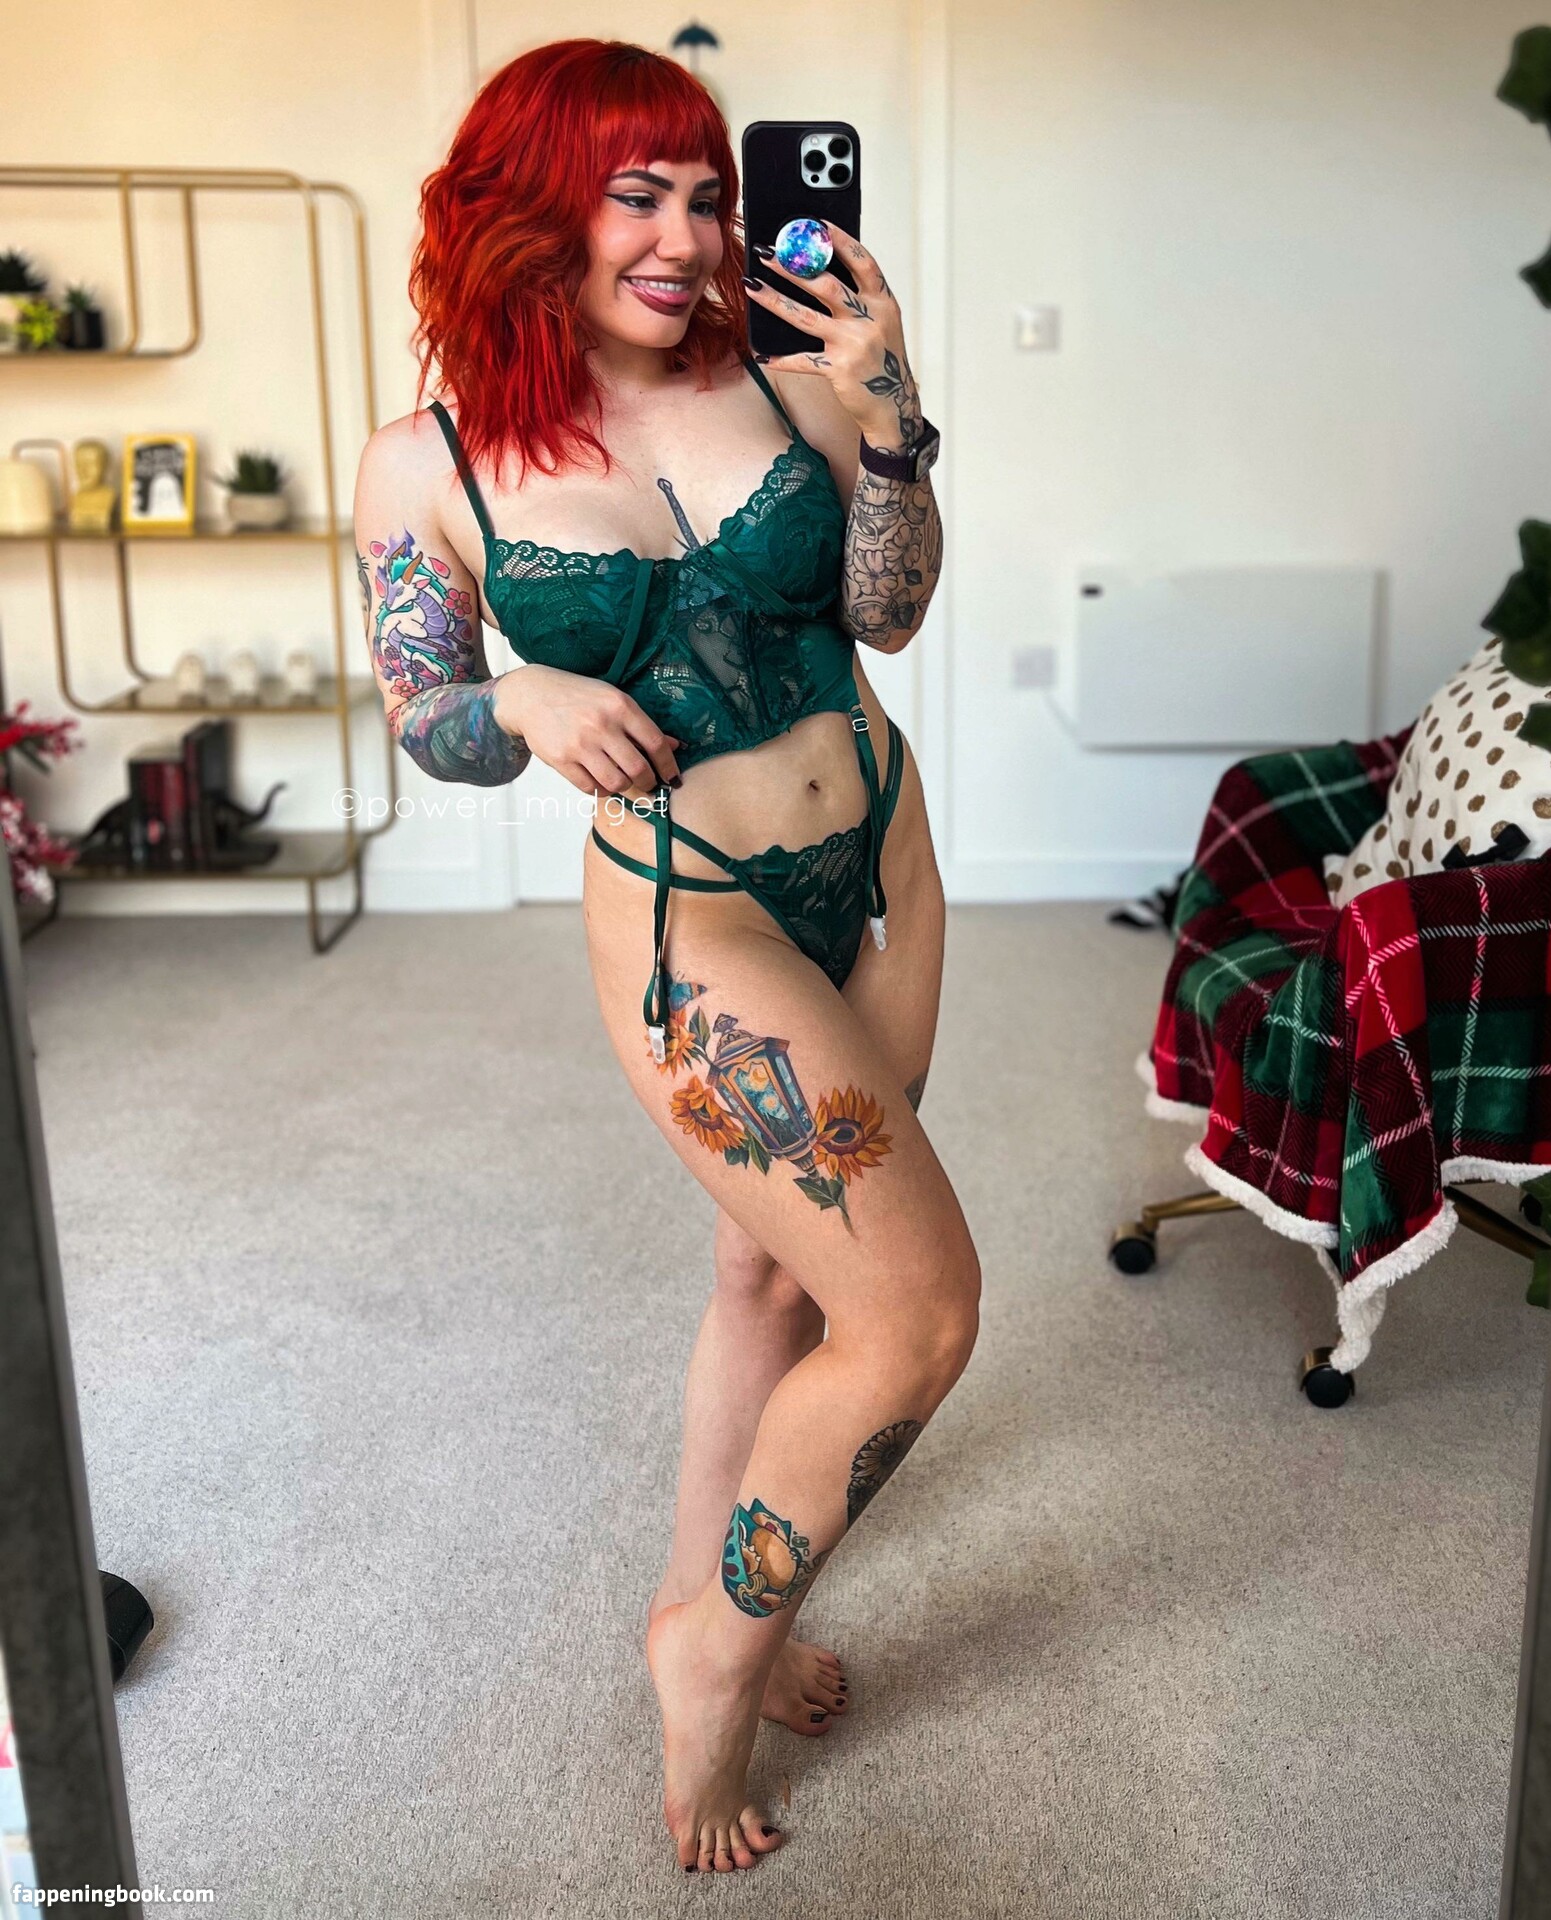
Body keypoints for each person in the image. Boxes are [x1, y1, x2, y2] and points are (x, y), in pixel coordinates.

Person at [352, 39, 978, 1875]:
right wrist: (518, 696)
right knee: (917, 1316)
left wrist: (890, 416)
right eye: (638, 196)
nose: (688, 239)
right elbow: (425, 714)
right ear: (529, 209)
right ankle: (712, 1655)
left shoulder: (786, 377)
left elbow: (889, 612)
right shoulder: (428, 462)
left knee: (772, 1272)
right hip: (691, 918)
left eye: (708, 196)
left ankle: (696, 1591)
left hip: (881, 867)